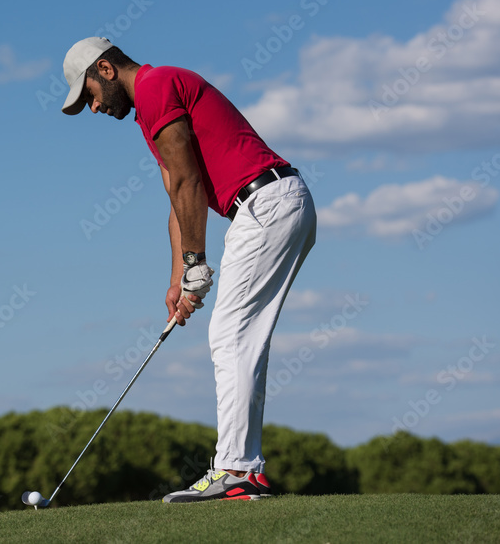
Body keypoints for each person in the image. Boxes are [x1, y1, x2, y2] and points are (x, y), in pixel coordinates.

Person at [60, 37, 317, 502]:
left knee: (230, 334)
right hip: (275, 203)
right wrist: (179, 278)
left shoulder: (156, 85)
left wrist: (197, 264)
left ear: (106, 69)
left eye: (89, 95)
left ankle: (236, 470)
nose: (93, 108)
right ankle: (243, 471)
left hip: (265, 203)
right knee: (240, 336)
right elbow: (178, 198)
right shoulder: (149, 111)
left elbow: (188, 182)